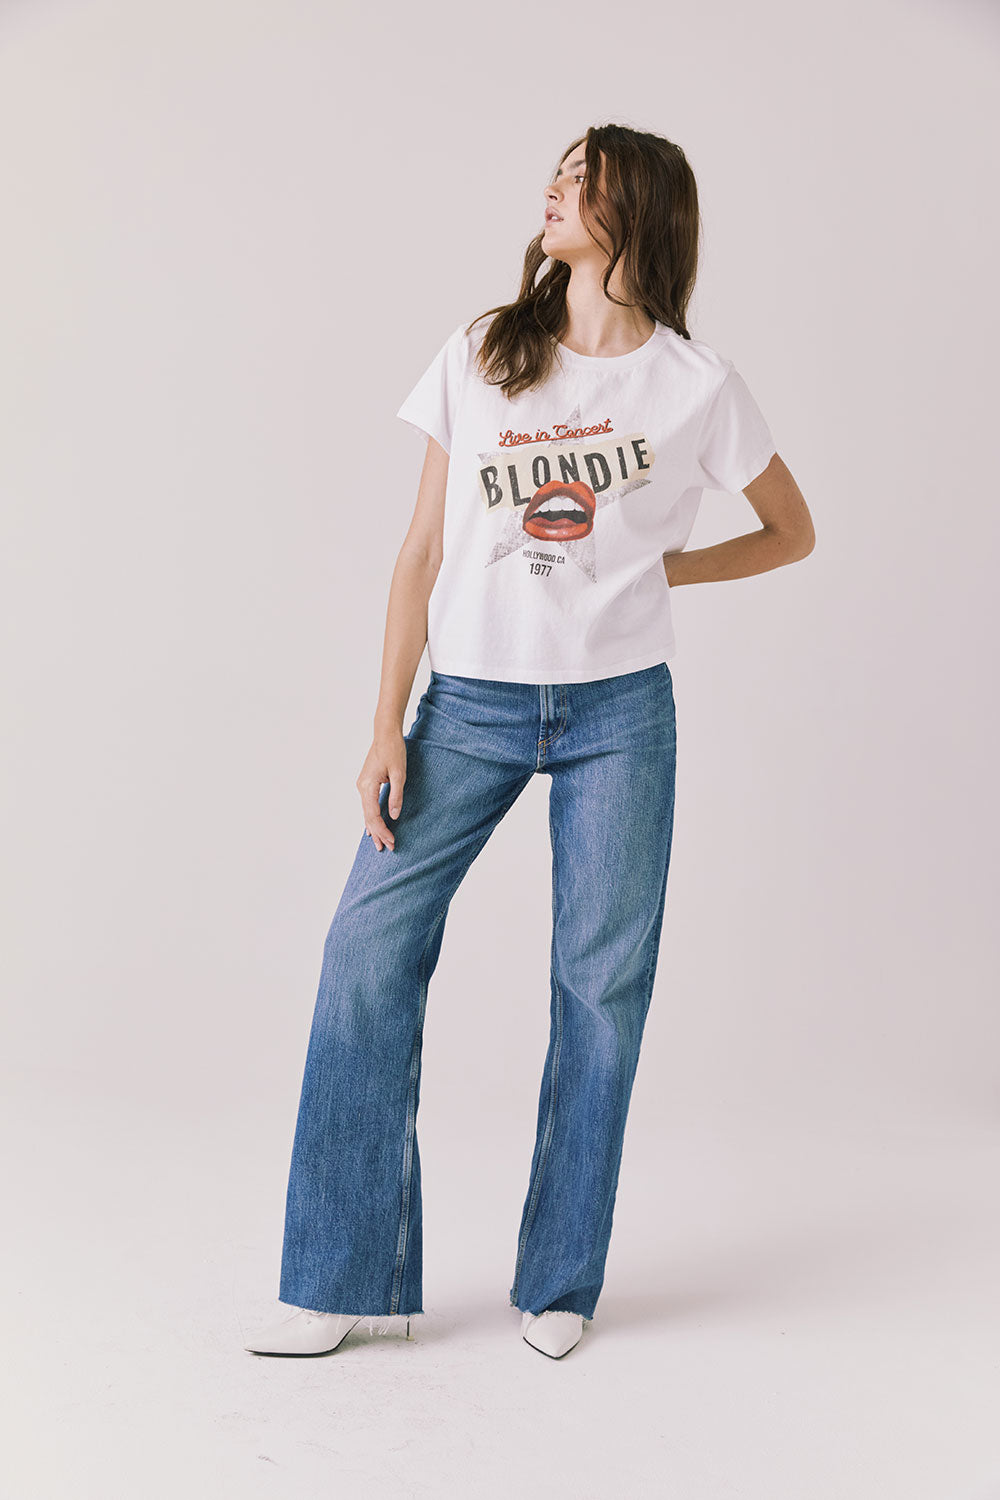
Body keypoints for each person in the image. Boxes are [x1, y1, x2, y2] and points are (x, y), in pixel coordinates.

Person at [244, 122, 815, 1363]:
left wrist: (672, 567)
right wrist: (384, 725)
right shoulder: (482, 353)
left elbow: (788, 529)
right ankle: (342, 1275)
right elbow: (418, 554)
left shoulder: (693, 385)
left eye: (581, 178)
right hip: (471, 706)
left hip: (619, 713)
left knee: (598, 989)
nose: (552, 191)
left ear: (637, 212)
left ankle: (559, 1281)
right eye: (553, 175)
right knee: (364, 949)